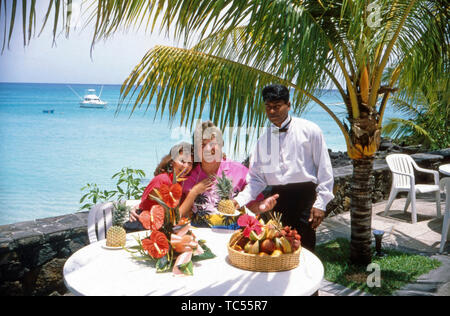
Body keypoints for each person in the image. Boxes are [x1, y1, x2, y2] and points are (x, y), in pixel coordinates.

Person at [233, 84, 334, 253]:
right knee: (278, 250)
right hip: (278, 199)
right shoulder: (264, 140)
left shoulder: (310, 130)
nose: (272, 112)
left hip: (305, 197)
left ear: (289, 105)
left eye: (277, 106)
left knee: (306, 248)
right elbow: (257, 179)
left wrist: (321, 203)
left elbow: (324, 168)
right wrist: (239, 200)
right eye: (268, 107)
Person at [180, 121, 272, 227]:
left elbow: (251, 205)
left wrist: (261, 206)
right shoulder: (188, 176)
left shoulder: (240, 172)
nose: (208, 149)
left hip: (232, 238)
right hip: (200, 238)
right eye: (203, 144)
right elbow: (179, 213)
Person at [126, 142, 193, 230]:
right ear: (172, 161)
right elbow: (172, 215)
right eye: (182, 161)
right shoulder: (162, 180)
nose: (186, 166)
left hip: (157, 226)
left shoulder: (179, 182)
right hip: (141, 226)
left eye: (190, 163)